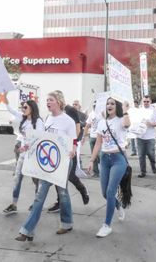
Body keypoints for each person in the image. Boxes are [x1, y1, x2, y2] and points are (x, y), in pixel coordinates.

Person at [16, 90, 77, 241]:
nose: (47, 102)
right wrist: (27, 146)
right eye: (47, 100)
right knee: (39, 195)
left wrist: (73, 151)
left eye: (50, 100)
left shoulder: (67, 120)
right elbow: (41, 139)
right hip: (48, 164)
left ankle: (67, 223)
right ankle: (27, 230)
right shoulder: (48, 118)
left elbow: (74, 141)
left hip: (63, 163)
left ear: (59, 101)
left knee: (63, 194)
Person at [88, 97, 130, 238]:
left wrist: (125, 110)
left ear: (117, 106)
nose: (109, 105)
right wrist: (92, 160)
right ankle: (118, 206)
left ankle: (107, 225)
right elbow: (98, 143)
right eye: (108, 103)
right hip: (104, 159)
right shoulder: (102, 122)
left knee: (111, 191)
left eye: (112, 103)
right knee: (105, 193)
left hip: (118, 159)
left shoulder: (121, 120)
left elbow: (127, 124)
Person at [3, 93, 44, 215]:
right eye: (22, 108)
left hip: (33, 156)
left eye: (25, 107)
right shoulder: (23, 118)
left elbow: (39, 138)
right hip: (23, 156)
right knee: (17, 178)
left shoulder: (38, 122)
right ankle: (14, 204)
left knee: (36, 181)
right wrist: (4, 96)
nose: (23, 109)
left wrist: (26, 146)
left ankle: (37, 203)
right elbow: (10, 109)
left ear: (32, 108)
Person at [47, 101, 89, 213]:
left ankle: (82, 189)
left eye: (53, 99)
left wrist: (71, 145)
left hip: (69, 148)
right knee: (57, 176)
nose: (50, 102)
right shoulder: (53, 114)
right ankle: (60, 202)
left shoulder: (70, 110)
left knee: (70, 175)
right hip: (56, 150)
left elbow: (77, 129)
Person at [136, 95, 156, 178]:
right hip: (140, 136)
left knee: (150, 154)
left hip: (150, 137)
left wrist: (149, 123)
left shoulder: (155, 110)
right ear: (142, 102)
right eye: (144, 101)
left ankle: (153, 165)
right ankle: (143, 172)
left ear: (150, 102)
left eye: (147, 101)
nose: (146, 103)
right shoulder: (139, 111)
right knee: (141, 155)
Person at [82, 101, 103, 177]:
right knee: (94, 155)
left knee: (100, 155)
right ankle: (96, 172)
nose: (94, 107)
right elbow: (87, 125)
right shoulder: (92, 114)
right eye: (94, 106)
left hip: (99, 137)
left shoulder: (101, 114)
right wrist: (84, 136)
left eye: (95, 106)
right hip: (92, 137)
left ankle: (103, 171)